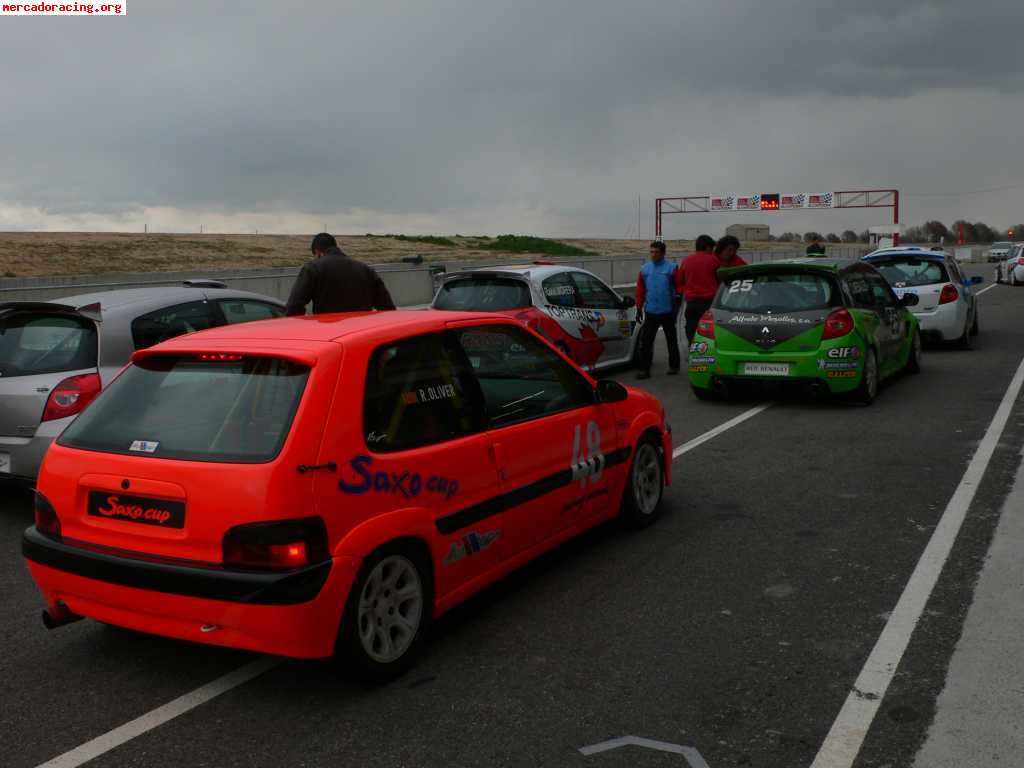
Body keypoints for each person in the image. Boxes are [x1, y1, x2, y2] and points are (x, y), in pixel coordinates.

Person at [285, 233, 396, 316]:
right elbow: (387, 307)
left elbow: (295, 305)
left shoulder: (313, 268)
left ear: (318, 252)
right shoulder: (365, 269)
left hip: (330, 334)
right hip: (361, 334)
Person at [635, 241, 680, 380]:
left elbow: (678, 289)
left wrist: (676, 308)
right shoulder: (644, 269)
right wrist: (638, 307)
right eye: (652, 252)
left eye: (656, 252)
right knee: (646, 342)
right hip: (651, 311)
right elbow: (640, 290)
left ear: (663, 253)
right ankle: (644, 369)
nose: (653, 254)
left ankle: (674, 366)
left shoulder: (672, 268)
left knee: (671, 340)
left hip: (667, 311)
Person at [676, 234, 720, 343]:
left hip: (691, 302)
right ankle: (707, 352)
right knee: (709, 330)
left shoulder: (686, 261)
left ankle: (692, 348)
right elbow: (720, 279)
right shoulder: (713, 260)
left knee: (691, 327)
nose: (712, 251)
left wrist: (685, 292)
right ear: (707, 247)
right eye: (711, 248)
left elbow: (679, 281)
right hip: (709, 302)